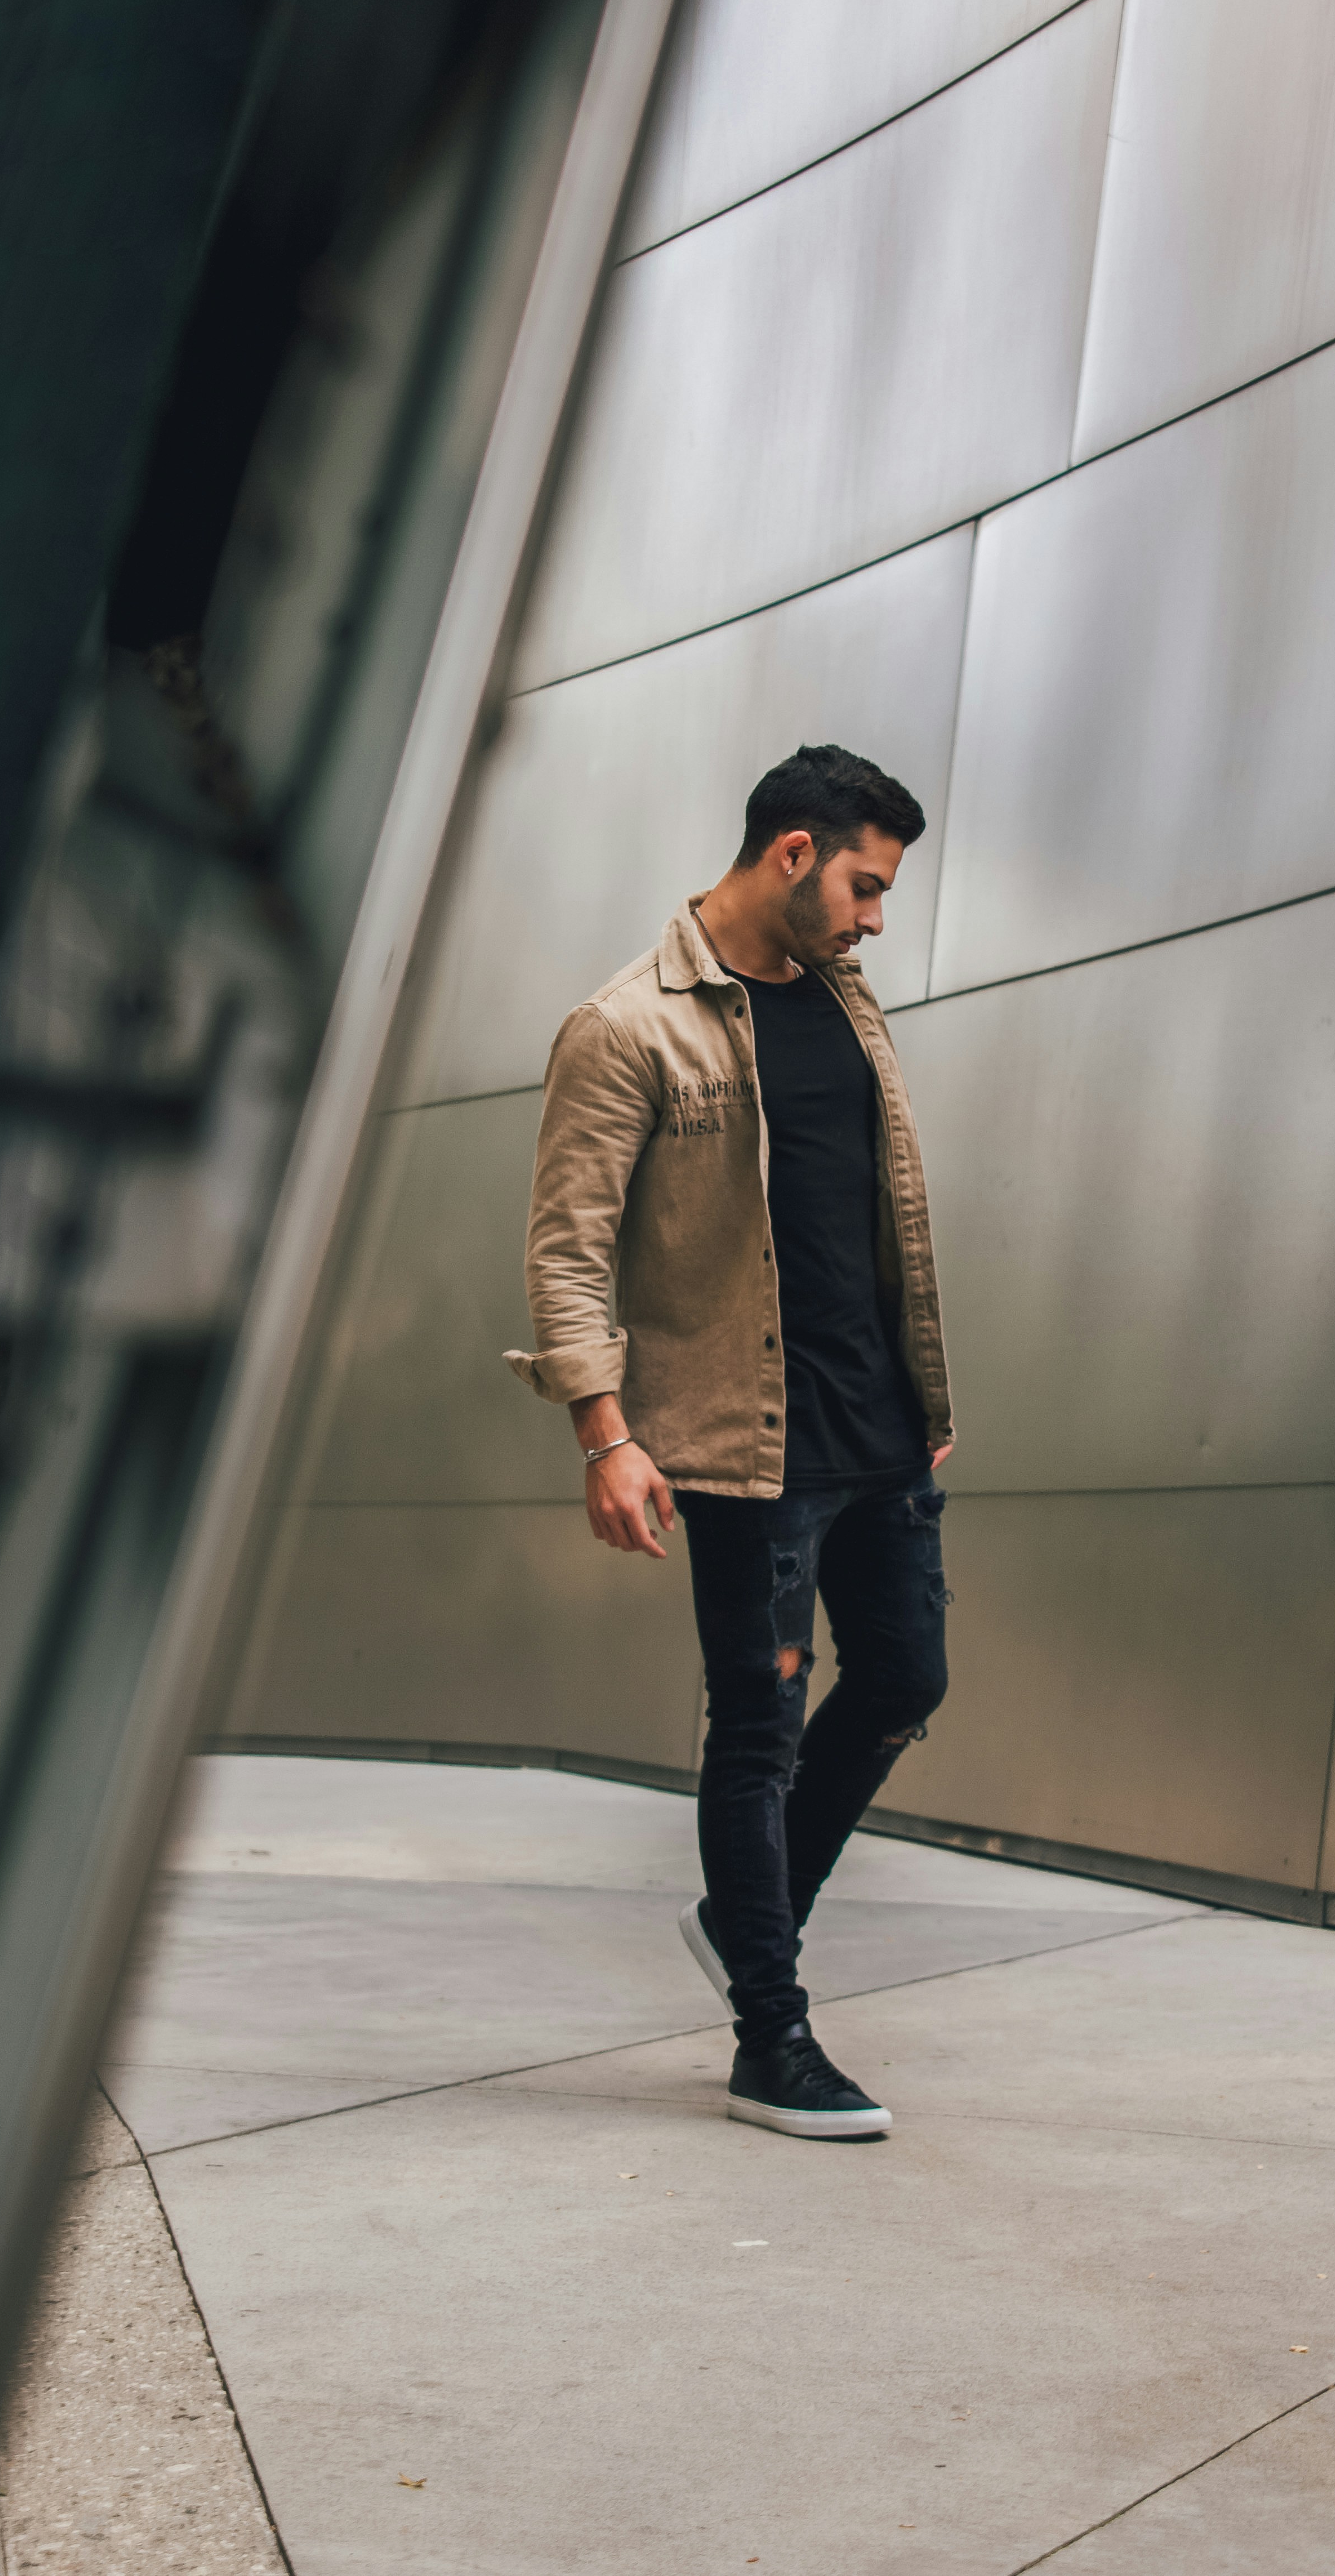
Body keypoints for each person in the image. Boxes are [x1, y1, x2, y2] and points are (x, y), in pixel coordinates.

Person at [505, 744, 953, 2141]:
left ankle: (740, 1912)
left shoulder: (843, 1002)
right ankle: (773, 2030)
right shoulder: (625, 1026)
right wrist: (603, 1434)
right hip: (738, 1442)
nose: (876, 918)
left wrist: (919, 1403)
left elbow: (867, 1215)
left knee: (902, 1676)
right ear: (794, 854)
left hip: (875, 1429)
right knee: (756, 1726)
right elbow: (568, 1251)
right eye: (867, 887)